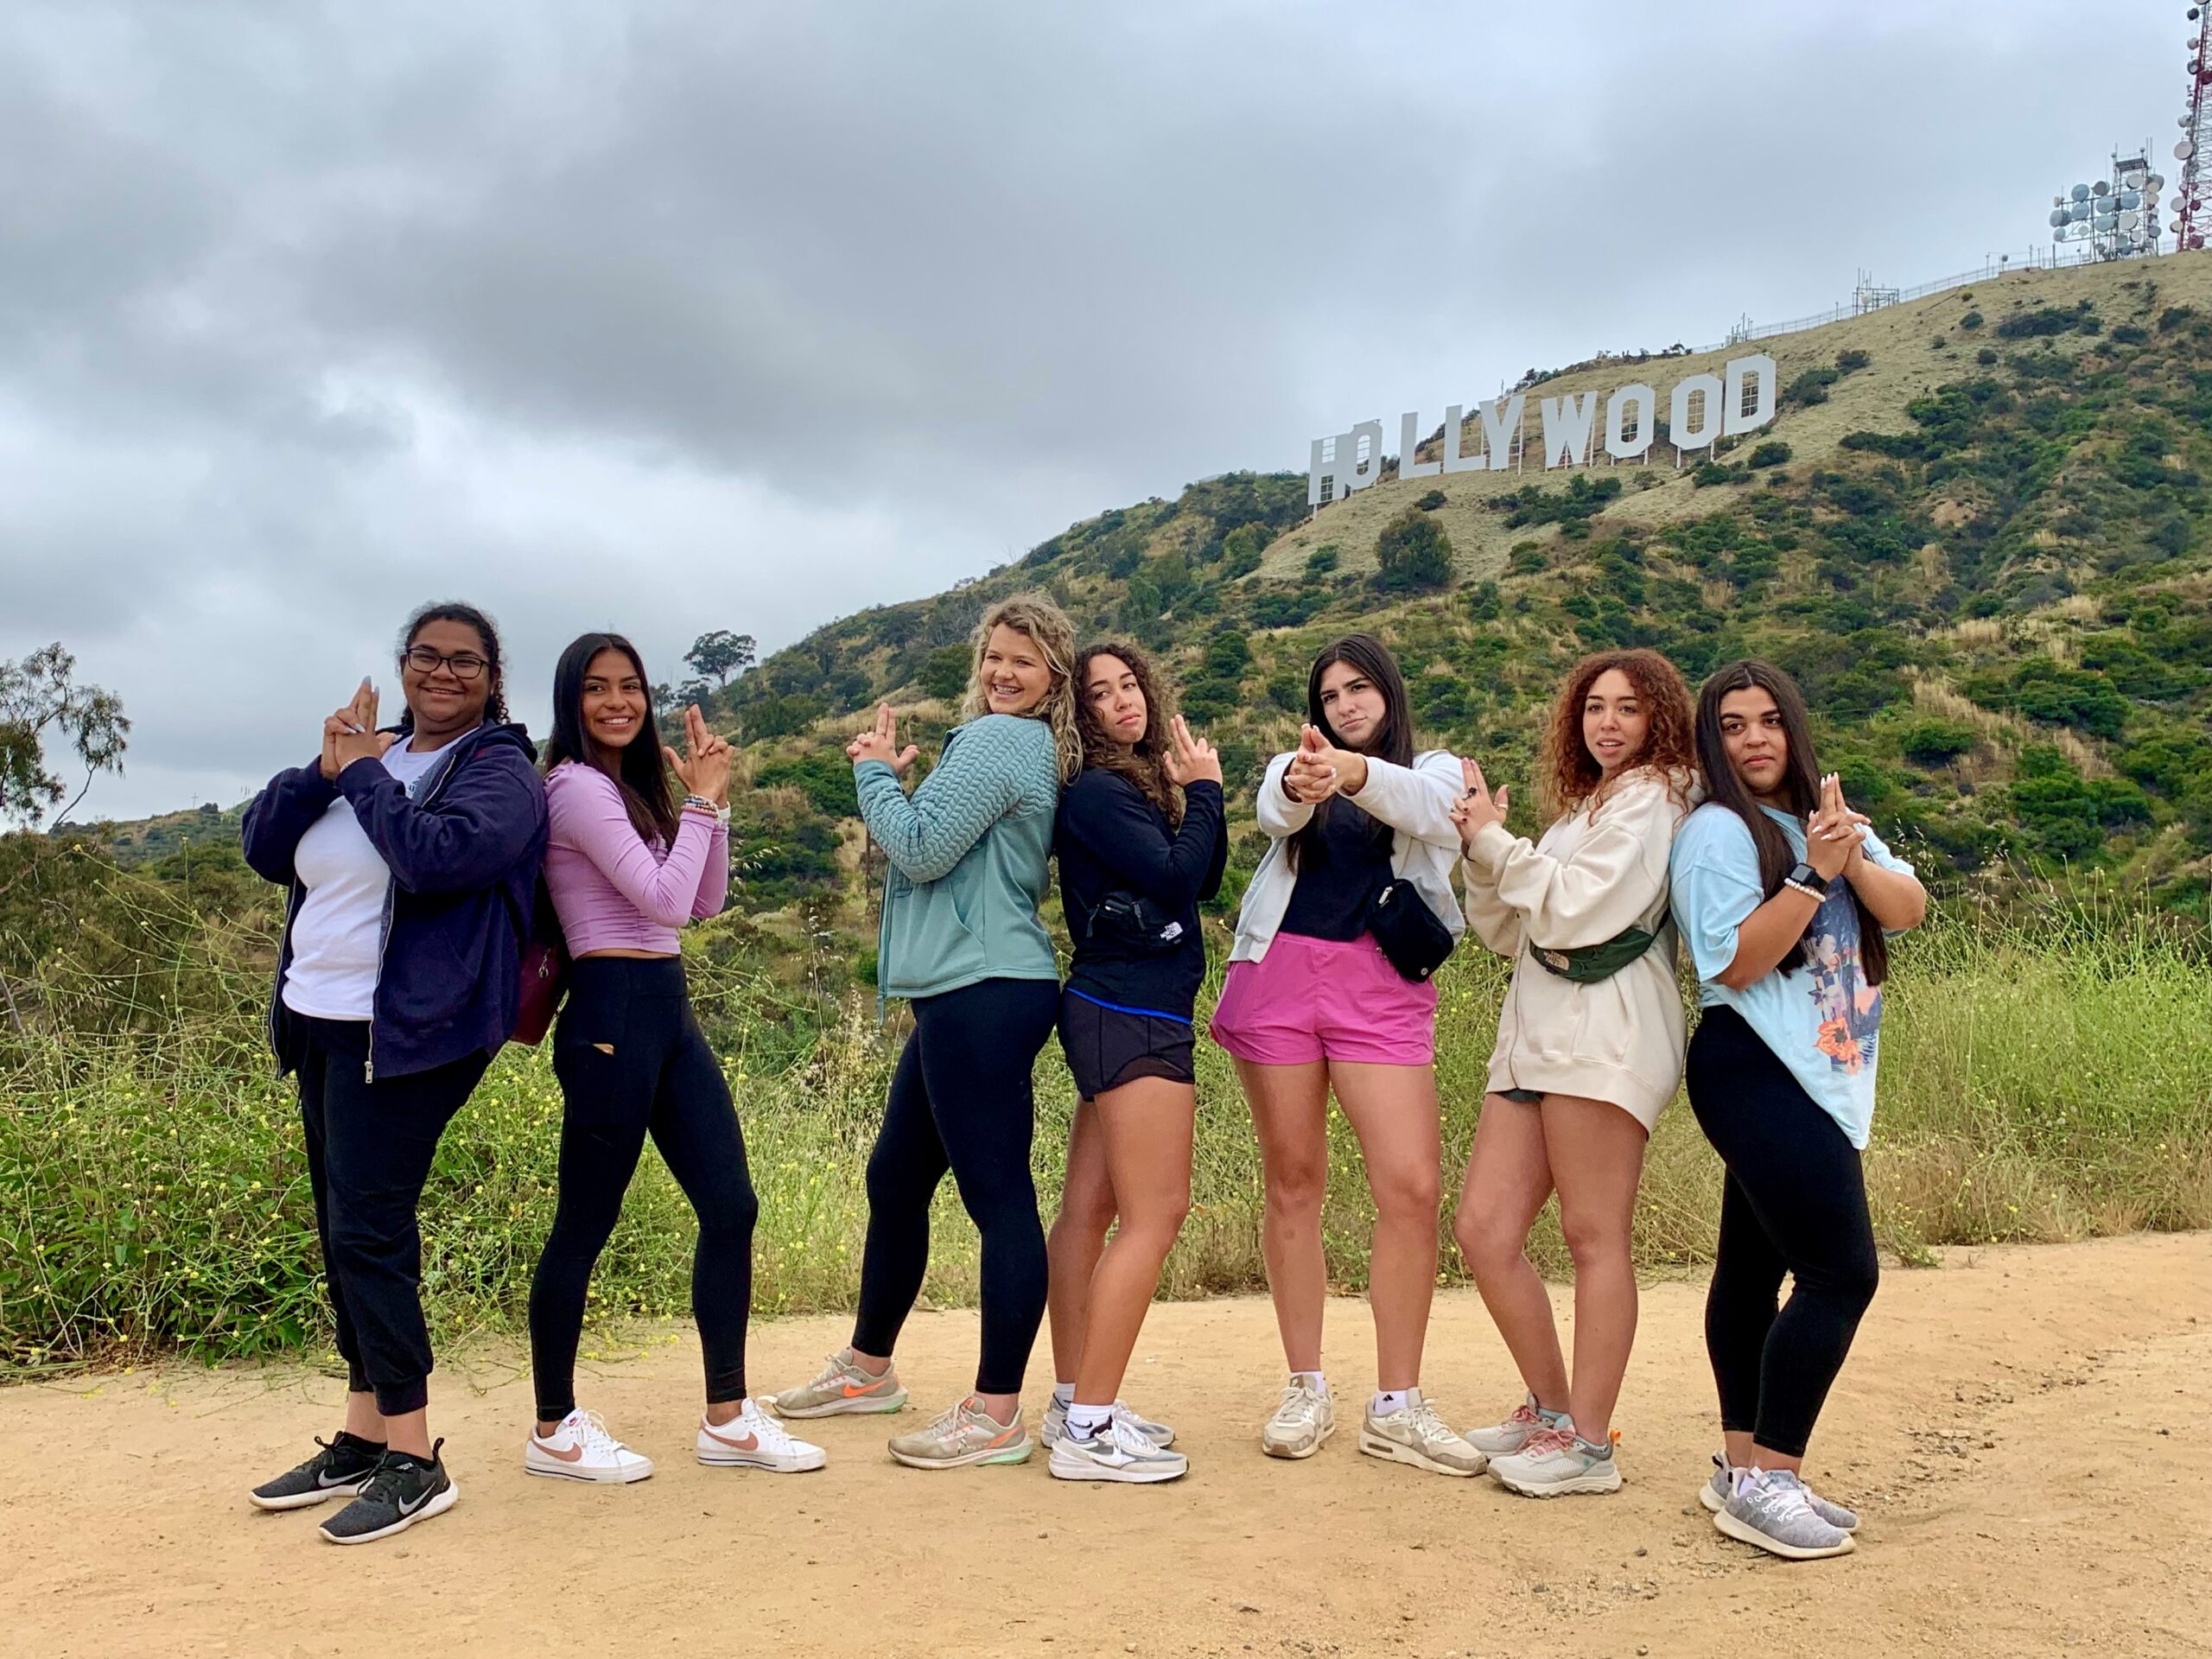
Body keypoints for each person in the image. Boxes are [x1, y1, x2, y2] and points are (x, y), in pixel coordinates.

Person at [241, 602, 548, 1544]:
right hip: (320, 1024)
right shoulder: (364, 760)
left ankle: (416, 1458)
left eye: (465, 661)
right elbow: (263, 848)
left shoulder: (501, 771)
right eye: (427, 656)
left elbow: (434, 859)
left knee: (370, 1231)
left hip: (414, 1035)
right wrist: (320, 771)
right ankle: (363, 1432)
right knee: (343, 1231)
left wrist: (368, 773)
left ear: (493, 675)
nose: (443, 673)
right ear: (403, 664)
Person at [765, 594, 1081, 1470]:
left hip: (981, 987)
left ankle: (995, 1412)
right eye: (992, 656)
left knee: (997, 1200)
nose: (1002, 672)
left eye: (1023, 659)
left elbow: (922, 847)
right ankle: (868, 1367)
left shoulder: (997, 741)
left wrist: (871, 772)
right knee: (896, 1176)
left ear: (1054, 675)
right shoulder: (1022, 747)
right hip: (970, 986)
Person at [523, 633, 823, 1484]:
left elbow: (702, 899)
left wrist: (710, 807)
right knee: (583, 1225)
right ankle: (552, 1426)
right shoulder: (575, 789)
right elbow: (659, 898)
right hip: (610, 1015)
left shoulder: (629, 790)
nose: (617, 701)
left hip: (666, 1011)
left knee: (731, 1205)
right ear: (567, 701)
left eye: (630, 687)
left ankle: (727, 1418)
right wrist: (700, 806)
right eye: (596, 688)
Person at [1670, 659, 1926, 1560]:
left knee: (1749, 1272)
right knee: (1840, 1274)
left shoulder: (1825, 822)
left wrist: (1846, 854)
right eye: (1732, 725)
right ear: (1714, 739)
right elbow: (1733, 962)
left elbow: (1909, 909)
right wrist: (1812, 878)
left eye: (1767, 720)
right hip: (1755, 1066)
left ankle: (1740, 1467)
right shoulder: (1714, 833)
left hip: (1818, 1075)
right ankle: (1771, 1477)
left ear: (1793, 727)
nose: (1752, 739)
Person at [1211, 632, 1481, 1475]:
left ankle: (1396, 1403)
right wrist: (1302, 780)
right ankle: (1305, 1385)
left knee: (1410, 1184)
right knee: (1292, 1178)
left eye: (1358, 689)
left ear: (1387, 696)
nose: (1344, 706)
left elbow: (1434, 811)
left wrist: (1353, 775)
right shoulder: (1296, 767)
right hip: (1283, 971)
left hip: (1380, 983)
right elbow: (1271, 810)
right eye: (1329, 696)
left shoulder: (1435, 768)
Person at [1449, 648, 1699, 1497]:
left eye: (1628, 708)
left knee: (1594, 1239)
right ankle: (1552, 1412)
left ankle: (1589, 1444)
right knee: (1484, 1230)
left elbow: (1572, 909)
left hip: (1605, 1037)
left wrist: (1493, 839)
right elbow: (1514, 929)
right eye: (1594, 707)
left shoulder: (1658, 798)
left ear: (1659, 717)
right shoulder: (1583, 809)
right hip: (1535, 1036)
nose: (1607, 722)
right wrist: (1482, 853)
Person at [1041, 642, 1228, 1484]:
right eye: (1100, 694)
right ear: (1079, 716)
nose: (1121, 701)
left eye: (1128, 685)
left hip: (1120, 1010)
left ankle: (1074, 1400)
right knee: (1157, 1215)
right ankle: (1088, 1425)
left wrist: (1194, 797)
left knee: (1090, 1210)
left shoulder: (1135, 785)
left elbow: (1205, 875)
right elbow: (1175, 872)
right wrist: (1209, 794)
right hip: (1132, 1014)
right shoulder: (1097, 791)